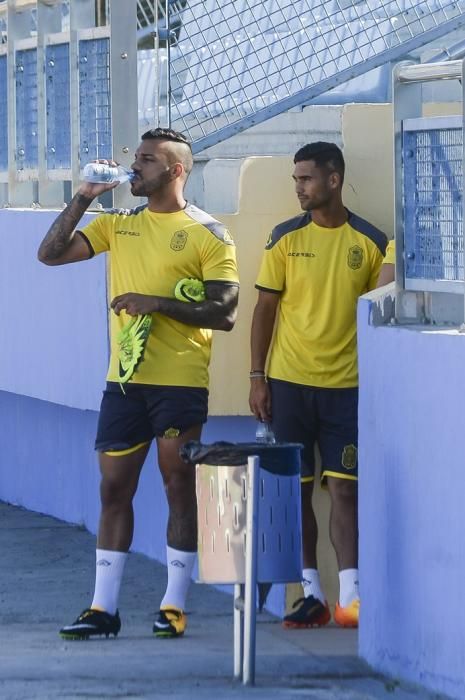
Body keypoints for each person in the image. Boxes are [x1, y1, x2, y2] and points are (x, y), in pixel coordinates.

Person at [37, 127, 239, 640]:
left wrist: (157, 304)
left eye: (147, 160)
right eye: (136, 158)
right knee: (113, 489)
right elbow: (51, 254)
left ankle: (173, 604)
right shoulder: (119, 224)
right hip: (125, 382)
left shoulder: (208, 233)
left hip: (179, 383)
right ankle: (103, 609)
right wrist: (84, 195)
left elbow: (225, 312)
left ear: (174, 170)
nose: (135, 167)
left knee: (178, 487)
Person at [249, 142, 386, 629]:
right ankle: (312, 594)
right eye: (294, 180)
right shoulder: (284, 238)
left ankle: (351, 597)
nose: (298, 188)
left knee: (346, 492)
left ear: (333, 179)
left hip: (347, 388)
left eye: (305, 179)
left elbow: (379, 315)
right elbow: (264, 309)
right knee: (296, 492)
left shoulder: (371, 241)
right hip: (288, 385)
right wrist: (257, 378)